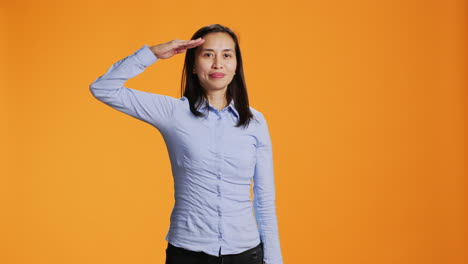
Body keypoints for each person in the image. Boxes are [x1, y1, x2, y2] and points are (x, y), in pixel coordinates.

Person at [89, 24, 283, 264]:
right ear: (193, 64)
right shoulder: (174, 112)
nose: (218, 64)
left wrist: (274, 260)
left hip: (246, 254)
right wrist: (153, 53)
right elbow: (103, 88)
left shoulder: (255, 122)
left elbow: (264, 198)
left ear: (236, 65)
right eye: (208, 54)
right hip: (188, 254)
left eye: (227, 55)